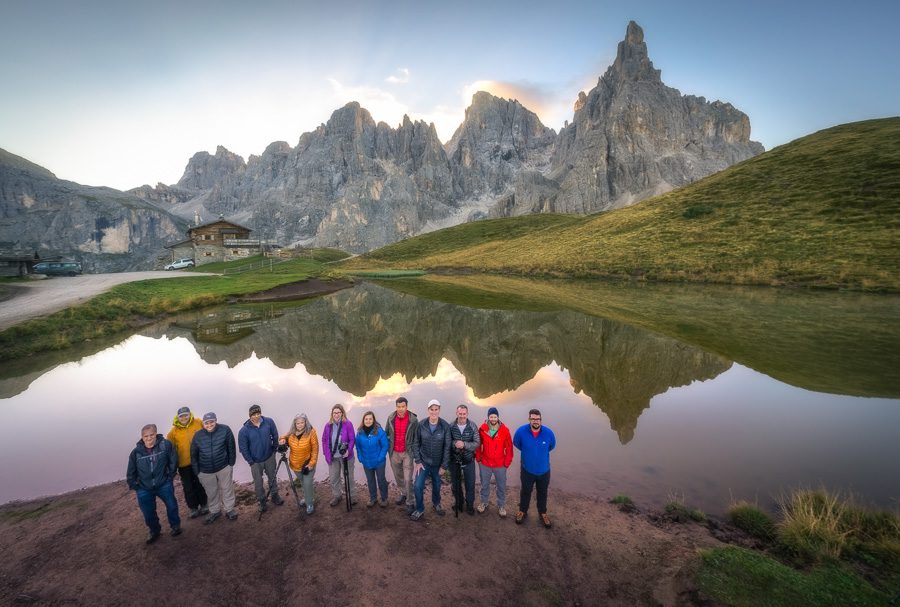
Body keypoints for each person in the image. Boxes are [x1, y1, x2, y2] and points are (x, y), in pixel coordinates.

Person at [126, 424, 181, 544]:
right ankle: (155, 531)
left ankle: (175, 526)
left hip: (163, 484)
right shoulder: (136, 453)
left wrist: (170, 477)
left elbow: (173, 460)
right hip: (144, 488)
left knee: (172, 506)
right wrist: (136, 486)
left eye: (151, 435)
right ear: (142, 437)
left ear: (156, 434)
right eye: (146, 436)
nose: (149, 438)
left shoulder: (165, 445)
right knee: (148, 512)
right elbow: (131, 472)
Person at [191, 412, 238, 524]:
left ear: (216, 420)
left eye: (211, 421)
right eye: (206, 423)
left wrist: (231, 463)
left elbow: (231, 447)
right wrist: (197, 471)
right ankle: (215, 511)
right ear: (203, 424)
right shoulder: (198, 435)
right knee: (211, 492)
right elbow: (193, 454)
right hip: (205, 470)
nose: (209, 424)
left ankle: (229, 509)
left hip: (223, 466)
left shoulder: (225, 430)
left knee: (227, 489)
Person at [513, 408, 556, 528]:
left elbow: (552, 446)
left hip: (544, 471)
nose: (535, 421)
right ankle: (523, 511)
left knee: (542, 492)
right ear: (529, 420)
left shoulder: (549, 433)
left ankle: (543, 513)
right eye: (533, 419)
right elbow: (517, 443)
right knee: (526, 491)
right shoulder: (521, 432)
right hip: (527, 470)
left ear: (541, 420)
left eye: (537, 419)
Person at [238, 404, 284, 512]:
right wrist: (250, 461)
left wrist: (274, 450)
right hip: (255, 461)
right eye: (254, 414)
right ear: (250, 416)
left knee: (272, 477)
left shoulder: (269, 422)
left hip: (269, 457)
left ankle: (275, 495)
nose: (256, 416)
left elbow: (275, 435)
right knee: (258, 483)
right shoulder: (244, 431)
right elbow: (243, 448)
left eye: (258, 413)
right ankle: (262, 501)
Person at [410, 399, 450, 521]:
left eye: (436, 409)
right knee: (417, 486)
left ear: (439, 410)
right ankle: (420, 509)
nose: (434, 412)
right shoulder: (421, 425)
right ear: (428, 410)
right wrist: (417, 461)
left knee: (437, 486)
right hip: (423, 463)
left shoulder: (445, 426)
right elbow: (415, 443)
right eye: (431, 409)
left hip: (438, 464)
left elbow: (447, 447)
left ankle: (436, 503)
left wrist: (444, 466)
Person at [166, 406, 209, 519]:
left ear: (190, 414)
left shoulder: (198, 422)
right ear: (178, 417)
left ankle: (204, 504)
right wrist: (170, 466)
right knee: (188, 487)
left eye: (186, 415)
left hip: (199, 461)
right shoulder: (173, 432)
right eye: (181, 416)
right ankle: (193, 508)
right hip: (183, 465)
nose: (184, 417)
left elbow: (208, 431)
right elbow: (169, 449)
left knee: (200, 484)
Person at [475, 406, 513, 517]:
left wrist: (507, 463)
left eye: (495, 416)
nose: (493, 419)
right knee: (484, 485)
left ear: (498, 417)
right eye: (491, 416)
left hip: (500, 464)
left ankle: (501, 505)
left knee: (501, 486)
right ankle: (484, 503)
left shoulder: (505, 430)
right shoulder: (482, 429)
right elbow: (478, 445)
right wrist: (479, 458)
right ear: (488, 417)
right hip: (485, 463)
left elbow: (509, 448)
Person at [279, 413, 318, 515]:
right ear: (294, 424)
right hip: (295, 465)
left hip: (307, 464)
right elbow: (283, 436)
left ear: (306, 422)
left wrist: (311, 463)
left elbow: (315, 449)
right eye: (298, 423)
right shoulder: (291, 433)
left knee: (307, 483)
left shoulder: (311, 432)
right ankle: (308, 498)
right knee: (302, 483)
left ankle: (309, 503)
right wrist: (282, 439)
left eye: (302, 422)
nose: (300, 425)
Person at [322, 404, 358, 507]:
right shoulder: (328, 425)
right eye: (334, 413)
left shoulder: (348, 424)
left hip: (346, 457)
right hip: (333, 457)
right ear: (332, 414)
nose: (336, 415)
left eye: (338, 412)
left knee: (349, 477)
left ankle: (352, 496)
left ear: (342, 413)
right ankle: (337, 495)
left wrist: (349, 450)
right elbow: (324, 440)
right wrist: (326, 453)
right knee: (334, 478)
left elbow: (352, 439)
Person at [386, 396, 418, 513]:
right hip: (394, 452)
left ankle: (410, 502)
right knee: (398, 476)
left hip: (407, 453)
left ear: (407, 407)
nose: (400, 409)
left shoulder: (413, 420)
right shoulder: (390, 418)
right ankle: (403, 493)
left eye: (403, 406)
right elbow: (386, 434)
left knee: (408, 479)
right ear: (396, 407)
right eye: (398, 407)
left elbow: (416, 438)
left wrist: (415, 453)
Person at [449, 404, 480, 516]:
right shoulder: (451, 426)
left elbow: (477, 443)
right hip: (455, 461)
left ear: (467, 414)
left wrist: (464, 445)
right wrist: (455, 444)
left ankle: (470, 505)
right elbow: (448, 442)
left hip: (469, 460)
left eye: (464, 414)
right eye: (460, 414)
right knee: (455, 485)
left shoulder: (472, 426)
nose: (462, 416)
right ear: (456, 413)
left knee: (470, 485)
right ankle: (459, 503)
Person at [355, 410, 389, 507]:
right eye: (366, 419)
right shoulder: (360, 433)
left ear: (373, 420)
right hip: (366, 462)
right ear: (363, 420)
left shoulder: (379, 431)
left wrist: (380, 458)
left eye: (370, 419)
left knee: (381, 480)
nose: (368, 421)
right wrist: (360, 457)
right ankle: (373, 498)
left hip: (379, 462)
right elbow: (358, 447)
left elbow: (385, 446)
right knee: (370, 481)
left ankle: (384, 498)